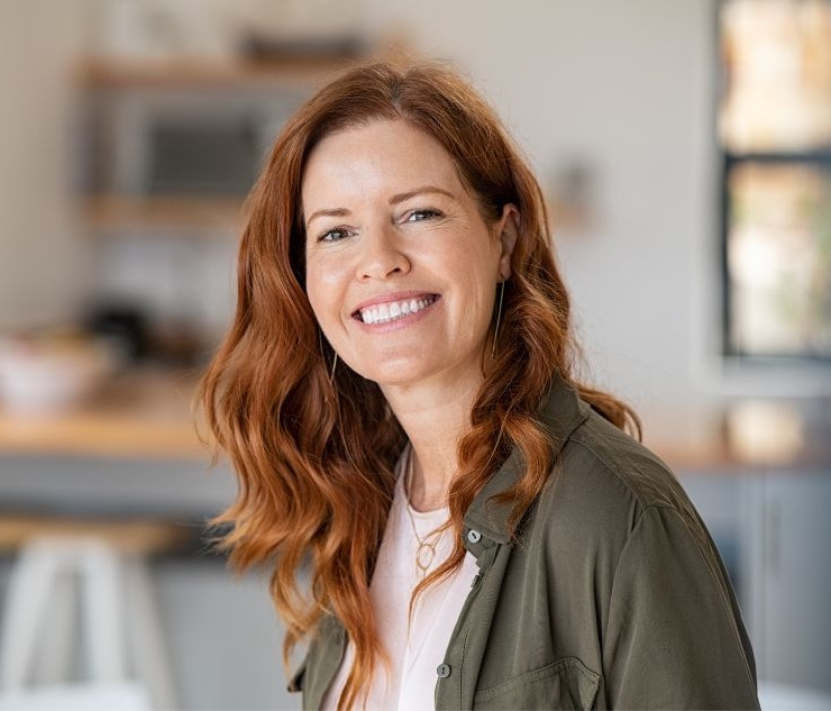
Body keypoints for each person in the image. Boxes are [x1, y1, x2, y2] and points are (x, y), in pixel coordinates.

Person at [199, 61, 760, 711]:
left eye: (418, 214)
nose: (378, 259)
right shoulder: (359, 502)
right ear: (302, 276)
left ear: (504, 237)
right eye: (336, 231)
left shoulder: (622, 518)